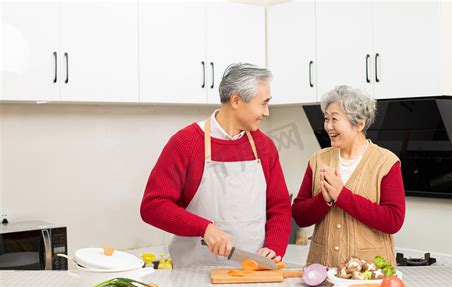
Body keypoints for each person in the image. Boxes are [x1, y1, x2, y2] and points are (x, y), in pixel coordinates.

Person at [141, 63, 292, 268]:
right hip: (194, 276)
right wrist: (204, 228)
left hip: (253, 274)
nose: (266, 112)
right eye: (263, 104)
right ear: (236, 100)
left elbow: (280, 208)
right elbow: (153, 206)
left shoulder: (264, 147)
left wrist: (274, 247)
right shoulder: (186, 143)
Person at [292, 85, 405, 267]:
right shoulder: (318, 159)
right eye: (326, 119)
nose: (328, 126)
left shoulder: (386, 162)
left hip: (369, 274)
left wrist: (342, 196)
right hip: (322, 271)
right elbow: (299, 216)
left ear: (359, 123)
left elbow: (393, 220)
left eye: (335, 119)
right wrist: (325, 200)